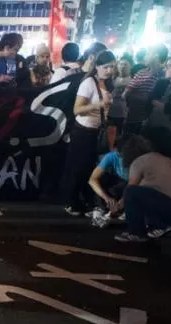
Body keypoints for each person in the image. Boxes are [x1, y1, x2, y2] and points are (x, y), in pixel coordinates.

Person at [61, 50, 115, 216]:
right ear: (97, 66)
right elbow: (77, 109)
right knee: (78, 168)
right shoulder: (89, 83)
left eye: (112, 67)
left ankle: (85, 201)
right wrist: (99, 105)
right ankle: (71, 202)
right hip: (83, 131)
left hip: (96, 131)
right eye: (106, 67)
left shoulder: (106, 83)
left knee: (88, 168)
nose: (109, 70)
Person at [115, 134, 171, 242]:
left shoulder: (138, 162)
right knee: (141, 195)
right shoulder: (164, 159)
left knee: (131, 192)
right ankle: (160, 225)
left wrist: (116, 207)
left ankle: (136, 233)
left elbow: (130, 189)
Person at [87, 141, 135, 228]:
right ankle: (101, 208)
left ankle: (127, 209)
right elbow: (92, 180)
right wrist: (106, 198)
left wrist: (123, 200)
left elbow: (138, 183)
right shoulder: (112, 156)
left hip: (134, 187)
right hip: (121, 184)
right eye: (120, 155)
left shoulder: (138, 160)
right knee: (102, 178)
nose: (122, 158)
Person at [123, 44, 168, 135]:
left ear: (156, 55)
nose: (144, 57)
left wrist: (136, 95)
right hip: (131, 118)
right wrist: (145, 97)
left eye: (147, 54)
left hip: (151, 123)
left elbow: (158, 102)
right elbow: (125, 95)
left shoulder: (164, 77)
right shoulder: (141, 72)